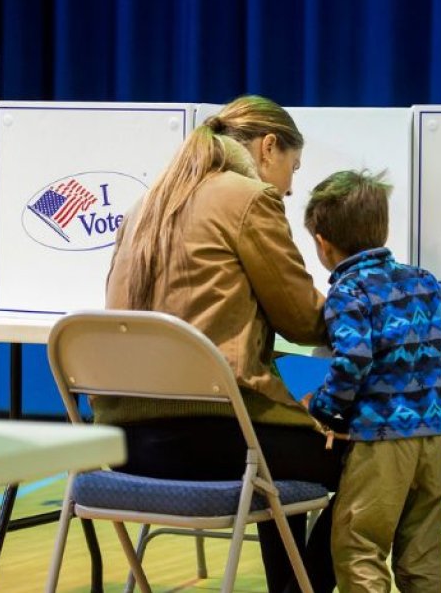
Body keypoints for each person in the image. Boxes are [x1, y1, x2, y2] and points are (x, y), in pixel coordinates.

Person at [101, 94, 347, 592]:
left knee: (276, 455)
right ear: (268, 147)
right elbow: (302, 319)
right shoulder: (248, 197)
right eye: (292, 168)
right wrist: (368, 306)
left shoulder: (145, 204)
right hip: (216, 441)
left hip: (126, 447)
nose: (291, 186)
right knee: (375, 451)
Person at [302, 169, 441, 593]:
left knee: (358, 545)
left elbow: (354, 358)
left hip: (382, 440)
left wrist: (322, 408)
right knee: (421, 553)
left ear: (322, 244)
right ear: (382, 229)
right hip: (436, 437)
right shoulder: (422, 280)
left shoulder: (348, 292)